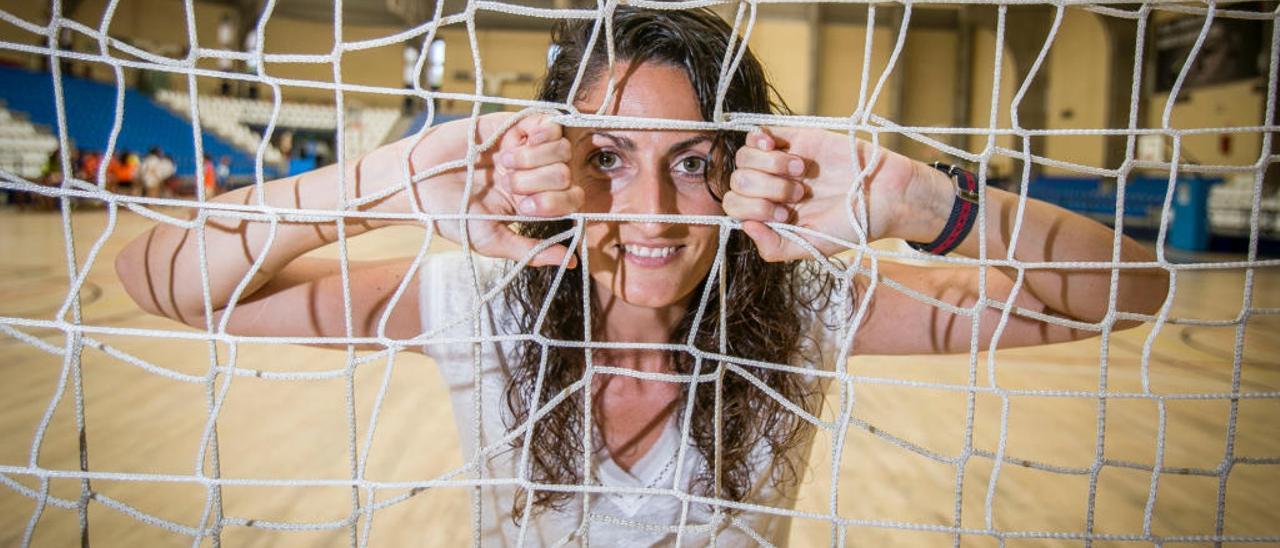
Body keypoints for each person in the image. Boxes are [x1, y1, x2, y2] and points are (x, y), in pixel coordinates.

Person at [113, 8, 1168, 544]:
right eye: (608, 159)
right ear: (555, 162)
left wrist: (922, 203)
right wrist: (383, 182)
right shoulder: (478, 303)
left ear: (743, 166)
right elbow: (157, 280)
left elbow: (1131, 293)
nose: (652, 210)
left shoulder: (802, 307)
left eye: (693, 161)